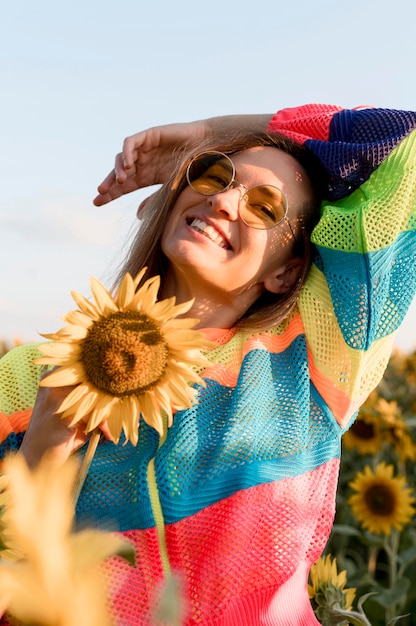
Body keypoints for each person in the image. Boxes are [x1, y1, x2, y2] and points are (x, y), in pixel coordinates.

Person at [1, 103, 416, 626]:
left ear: (287, 274)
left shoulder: (317, 353)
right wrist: (42, 452)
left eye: (265, 207)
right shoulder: (30, 373)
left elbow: (402, 145)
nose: (222, 199)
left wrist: (203, 136)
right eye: (213, 173)